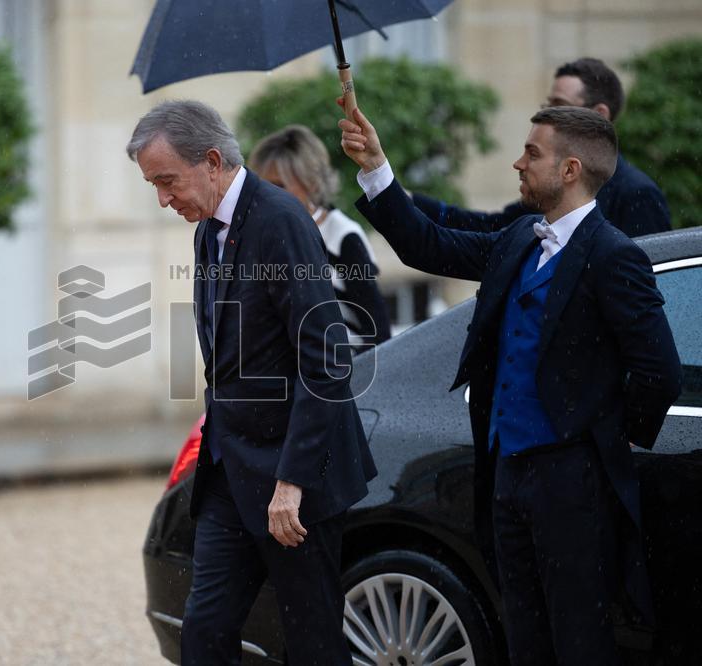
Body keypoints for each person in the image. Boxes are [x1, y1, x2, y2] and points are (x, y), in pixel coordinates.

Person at [338, 103, 681, 665]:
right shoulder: (522, 235)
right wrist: (377, 168)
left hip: (574, 483)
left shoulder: (614, 256)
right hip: (506, 472)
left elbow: (659, 371)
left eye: (533, 153)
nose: (518, 162)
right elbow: (429, 245)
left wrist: (600, 441)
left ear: (570, 170)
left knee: (578, 641)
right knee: (523, 634)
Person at [127, 100, 376, 665]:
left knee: (313, 642)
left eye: (166, 181)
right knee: (205, 635)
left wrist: (292, 482)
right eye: (153, 186)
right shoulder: (207, 226)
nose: (163, 199)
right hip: (231, 475)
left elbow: (327, 361)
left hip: (296, 477)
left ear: (211, 161)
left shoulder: (281, 220)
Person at [412, 58, 671, 238]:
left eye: (559, 104)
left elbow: (653, 287)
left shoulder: (637, 194)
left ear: (600, 114)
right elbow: (488, 228)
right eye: (548, 105)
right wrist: (401, 198)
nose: (548, 113)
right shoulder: (546, 187)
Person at [250, 124, 391, 351]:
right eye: (263, 186)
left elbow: (378, 328)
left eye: (279, 186)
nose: (268, 195)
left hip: (342, 370)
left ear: (311, 182)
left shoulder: (343, 235)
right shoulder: (259, 233)